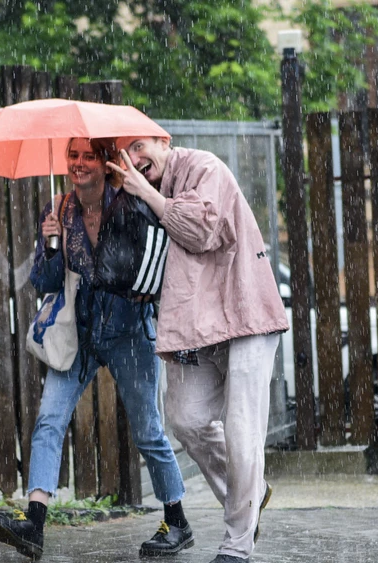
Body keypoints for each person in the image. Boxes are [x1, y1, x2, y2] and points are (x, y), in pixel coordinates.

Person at [0, 138, 193, 559]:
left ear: (104, 162)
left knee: (148, 431)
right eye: (73, 156)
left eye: (88, 156)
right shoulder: (59, 210)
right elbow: (43, 284)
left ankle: (177, 521)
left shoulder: (130, 203)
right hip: (78, 335)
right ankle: (34, 524)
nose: (78, 165)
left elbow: (155, 266)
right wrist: (51, 244)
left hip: (129, 333)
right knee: (49, 420)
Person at [106, 136, 289, 563]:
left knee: (242, 432)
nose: (134, 159)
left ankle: (237, 545)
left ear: (163, 141)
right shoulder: (135, 194)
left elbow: (202, 230)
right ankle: (251, 492)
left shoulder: (204, 167)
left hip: (245, 315)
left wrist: (147, 195)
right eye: (125, 154)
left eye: (139, 147)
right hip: (198, 329)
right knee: (185, 419)